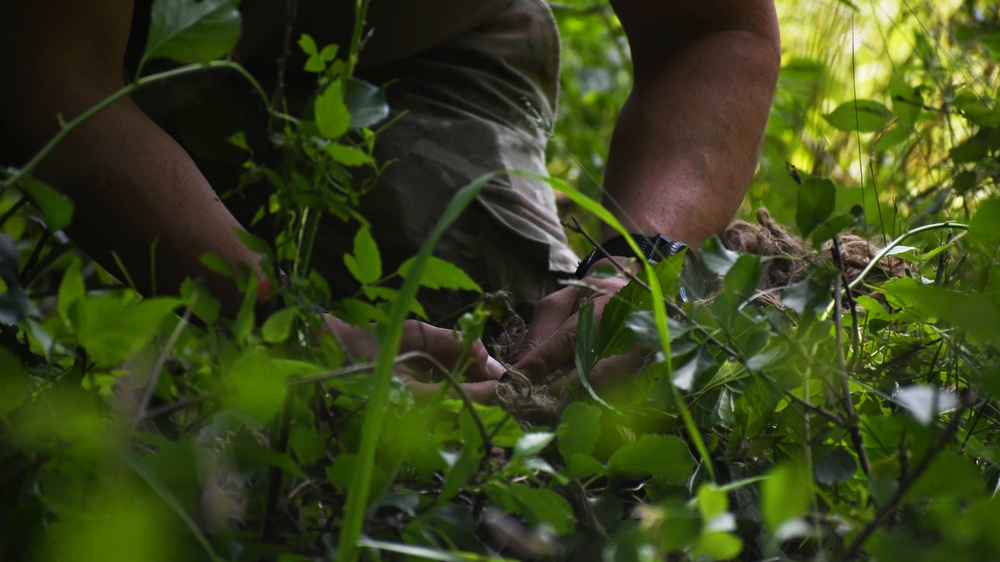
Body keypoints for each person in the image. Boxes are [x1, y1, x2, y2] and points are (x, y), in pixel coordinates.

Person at [0, 0, 780, 401]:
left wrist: (633, 264)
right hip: (102, 50)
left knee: (491, 366)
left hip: (416, 46)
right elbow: (53, 74)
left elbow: (712, 27)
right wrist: (280, 318)